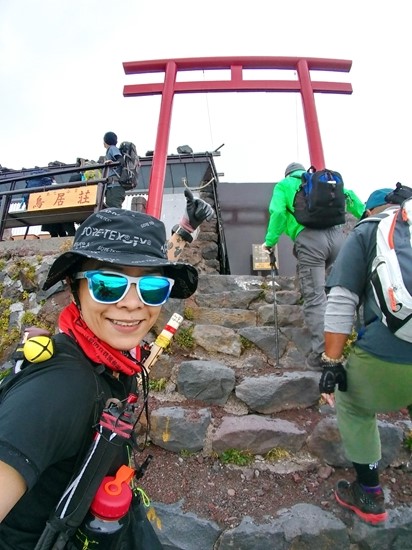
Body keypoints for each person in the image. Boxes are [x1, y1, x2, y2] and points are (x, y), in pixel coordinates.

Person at [0, 191, 213, 548]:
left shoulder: (107, 353)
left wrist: (185, 229)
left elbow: (161, 266)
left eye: (152, 287)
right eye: (107, 284)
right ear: (74, 288)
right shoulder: (60, 391)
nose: (132, 303)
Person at [319, 186, 412, 525]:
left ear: (371, 210)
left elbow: (342, 299)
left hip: (388, 353)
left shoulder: (368, 231)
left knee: (353, 403)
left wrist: (331, 364)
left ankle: (370, 494)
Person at [261, 162, 364, 370]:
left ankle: (322, 355)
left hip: (310, 241)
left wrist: (270, 242)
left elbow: (279, 213)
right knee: (338, 294)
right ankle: (349, 345)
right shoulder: (324, 181)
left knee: (316, 297)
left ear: (287, 173)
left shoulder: (284, 185)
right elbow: (351, 197)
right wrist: (364, 221)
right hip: (338, 238)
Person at [103, 131, 125, 208]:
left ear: (105, 141)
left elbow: (121, 160)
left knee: (113, 211)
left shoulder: (112, 148)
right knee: (111, 210)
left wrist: (113, 162)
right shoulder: (112, 149)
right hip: (112, 187)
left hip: (115, 186)